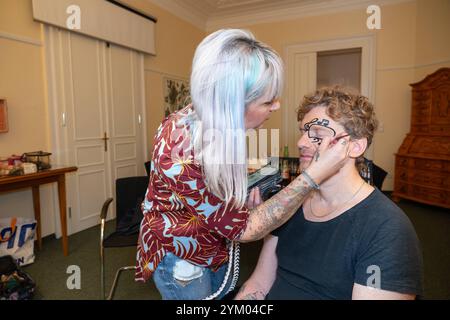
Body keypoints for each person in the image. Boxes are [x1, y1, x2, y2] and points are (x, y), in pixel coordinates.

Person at [135, 29, 351, 300]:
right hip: (182, 255)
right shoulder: (181, 149)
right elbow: (243, 229)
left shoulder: (219, 125)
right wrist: (312, 177)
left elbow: (217, 197)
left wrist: (236, 203)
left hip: (212, 242)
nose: (276, 106)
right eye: (268, 101)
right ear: (233, 104)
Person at [235, 86, 423, 300]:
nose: (301, 143)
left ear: (354, 147)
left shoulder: (386, 229)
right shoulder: (289, 205)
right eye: (303, 132)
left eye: (317, 134)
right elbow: (259, 282)